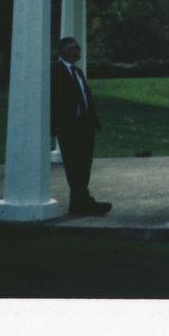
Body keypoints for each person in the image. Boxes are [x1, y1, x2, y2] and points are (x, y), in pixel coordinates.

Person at [51, 36, 112, 215]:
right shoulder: (55, 71)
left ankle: (79, 202)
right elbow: (53, 99)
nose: (79, 50)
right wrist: (57, 125)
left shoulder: (77, 72)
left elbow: (84, 96)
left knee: (84, 165)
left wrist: (93, 121)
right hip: (69, 127)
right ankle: (82, 201)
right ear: (65, 51)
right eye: (75, 47)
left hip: (85, 125)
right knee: (74, 165)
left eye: (78, 47)